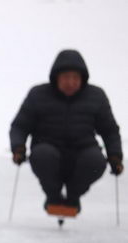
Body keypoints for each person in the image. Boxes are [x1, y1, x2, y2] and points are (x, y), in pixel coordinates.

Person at [9, 49, 122, 216]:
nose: (70, 82)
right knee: (43, 155)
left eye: (75, 77)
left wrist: (115, 156)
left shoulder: (96, 96)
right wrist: (18, 148)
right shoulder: (38, 94)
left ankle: (73, 197)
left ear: (82, 78)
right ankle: (53, 197)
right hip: (47, 148)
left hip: (83, 150)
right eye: (66, 77)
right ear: (56, 77)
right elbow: (20, 125)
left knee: (96, 161)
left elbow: (110, 130)